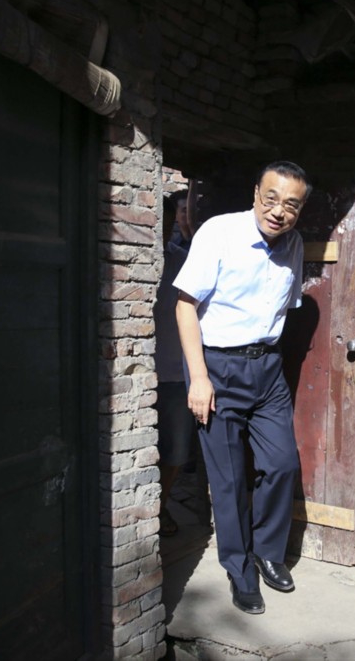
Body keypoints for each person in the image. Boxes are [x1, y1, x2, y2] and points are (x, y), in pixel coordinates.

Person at [173, 160, 311, 614]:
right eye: (271, 199)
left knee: (282, 464)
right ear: (255, 194)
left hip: (267, 368)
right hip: (217, 368)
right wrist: (199, 377)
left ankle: (269, 553)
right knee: (229, 479)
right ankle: (240, 569)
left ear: (299, 210)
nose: (279, 211)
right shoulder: (219, 233)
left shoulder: (293, 244)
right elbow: (185, 306)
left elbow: (284, 308)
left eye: (291, 205)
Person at [154, 196, 195, 536]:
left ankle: (159, 507)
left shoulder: (183, 262)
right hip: (141, 375)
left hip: (176, 374)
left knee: (176, 453)